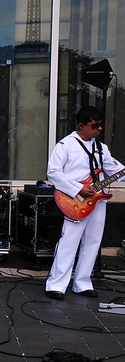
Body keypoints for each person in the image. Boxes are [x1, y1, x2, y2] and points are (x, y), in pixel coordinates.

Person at [44, 106, 124, 300]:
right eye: (94, 126)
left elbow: (115, 170)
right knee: (69, 241)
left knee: (93, 241)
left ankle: (82, 282)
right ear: (81, 125)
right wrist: (78, 188)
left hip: (98, 200)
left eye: (100, 125)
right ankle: (56, 284)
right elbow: (53, 172)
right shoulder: (66, 145)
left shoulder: (101, 148)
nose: (99, 129)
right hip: (75, 200)